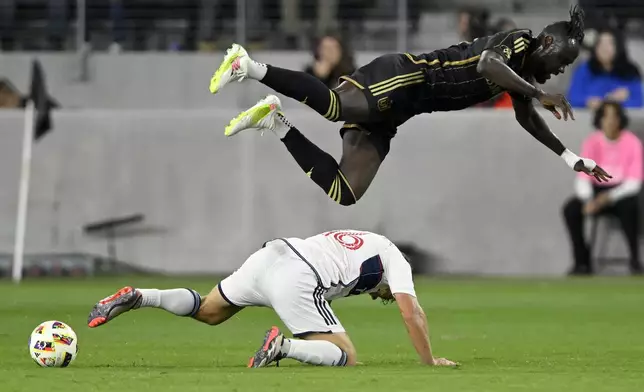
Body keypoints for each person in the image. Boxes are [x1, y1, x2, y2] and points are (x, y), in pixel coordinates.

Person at [210, 6, 610, 207]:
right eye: (563, 61)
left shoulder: (520, 75)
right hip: (408, 76)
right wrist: (541, 94)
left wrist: (571, 157)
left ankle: (275, 122)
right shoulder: (520, 42)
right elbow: (488, 63)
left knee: (346, 191)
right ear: (548, 45)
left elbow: (526, 117)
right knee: (335, 106)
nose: (560, 70)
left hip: (399, 110)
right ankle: (247, 65)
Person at [87, 230, 457, 368]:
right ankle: (282, 347)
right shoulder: (395, 259)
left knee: (208, 311)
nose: (386, 298)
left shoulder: (365, 241)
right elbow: (413, 315)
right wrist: (430, 360)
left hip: (270, 255)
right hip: (297, 276)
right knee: (346, 355)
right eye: (389, 295)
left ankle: (139, 297)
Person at [562, 101, 643, 276]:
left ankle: (635, 262)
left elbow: (634, 182)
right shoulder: (592, 142)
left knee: (632, 207)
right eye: (606, 116)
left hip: (620, 194)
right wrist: (589, 199)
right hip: (595, 191)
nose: (610, 121)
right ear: (600, 120)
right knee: (571, 210)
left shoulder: (632, 143)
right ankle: (582, 263)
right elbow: (582, 177)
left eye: (614, 116)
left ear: (620, 119)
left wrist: (608, 198)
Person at [567, 29, 642, 109]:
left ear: (618, 47)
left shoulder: (630, 71)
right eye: (600, 43)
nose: (604, 48)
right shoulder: (585, 69)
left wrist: (618, 103)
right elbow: (572, 97)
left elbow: (639, 101)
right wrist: (588, 101)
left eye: (609, 44)